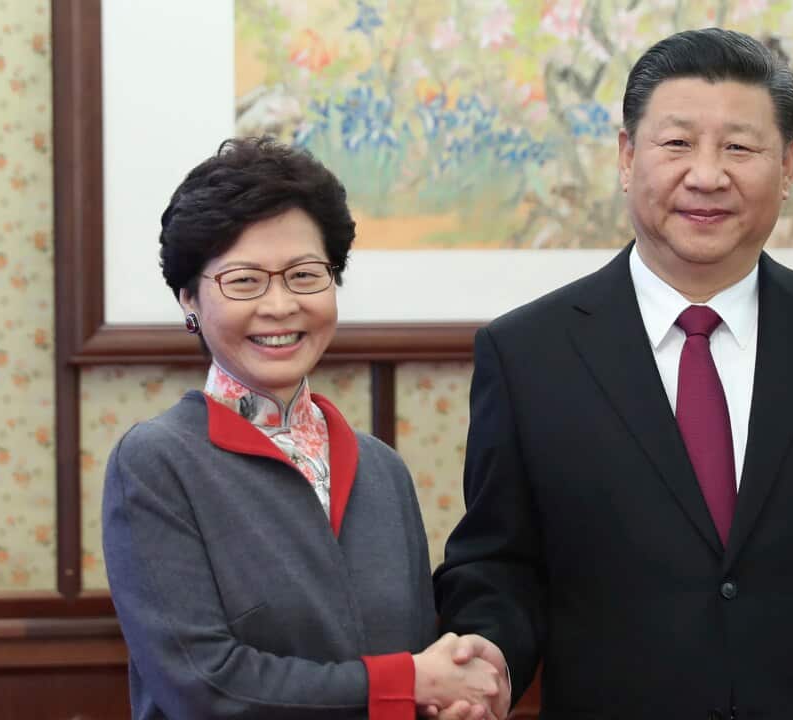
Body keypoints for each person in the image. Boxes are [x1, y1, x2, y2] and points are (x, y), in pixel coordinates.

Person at [434, 28, 793, 719]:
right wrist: (487, 655)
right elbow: (500, 565)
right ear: (627, 156)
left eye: (739, 148)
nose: (706, 175)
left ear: (786, 167)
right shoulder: (527, 355)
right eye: (677, 143)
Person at [102, 138, 507, 720]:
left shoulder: (381, 469)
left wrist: (447, 703)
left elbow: (414, 668)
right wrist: (411, 682)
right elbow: (202, 686)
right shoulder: (156, 462)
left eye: (304, 275)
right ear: (189, 299)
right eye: (244, 281)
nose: (280, 305)